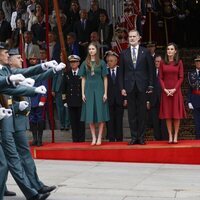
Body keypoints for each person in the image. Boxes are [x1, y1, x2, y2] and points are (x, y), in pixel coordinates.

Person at [119, 29, 154, 145]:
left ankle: (142, 137)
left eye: (134, 36)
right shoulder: (124, 53)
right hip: (129, 86)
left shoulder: (146, 52)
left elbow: (151, 70)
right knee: (131, 113)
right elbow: (121, 72)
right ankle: (134, 137)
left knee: (142, 112)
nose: (132, 38)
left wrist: (150, 85)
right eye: (130, 37)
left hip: (142, 86)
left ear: (139, 38)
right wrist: (122, 87)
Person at [78, 42, 109, 145]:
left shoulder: (102, 63)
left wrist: (105, 93)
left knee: (100, 114)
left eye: (93, 49)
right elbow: (83, 79)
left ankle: (100, 137)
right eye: (90, 49)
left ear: (96, 50)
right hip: (88, 90)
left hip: (99, 89)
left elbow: (105, 78)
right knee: (90, 115)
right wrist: (83, 93)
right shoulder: (84, 63)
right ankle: (94, 137)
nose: (91, 51)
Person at [159, 42, 186, 144]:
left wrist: (174, 89)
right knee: (168, 115)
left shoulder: (179, 62)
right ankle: (170, 135)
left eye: (171, 49)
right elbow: (160, 77)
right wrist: (165, 89)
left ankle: (175, 136)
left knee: (176, 115)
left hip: (175, 92)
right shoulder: (162, 62)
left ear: (175, 51)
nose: (169, 51)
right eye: (168, 49)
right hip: (166, 92)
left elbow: (181, 77)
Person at [63, 55, 85, 142]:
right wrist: (64, 100)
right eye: (71, 62)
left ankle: (82, 139)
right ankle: (75, 139)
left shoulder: (82, 73)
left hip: (80, 101)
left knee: (81, 121)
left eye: (75, 62)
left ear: (78, 63)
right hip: (71, 101)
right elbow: (63, 88)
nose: (73, 64)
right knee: (73, 122)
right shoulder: (67, 74)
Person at [105, 51, 126, 142]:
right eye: (108, 61)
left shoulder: (121, 71)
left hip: (119, 99)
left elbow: (125, 85)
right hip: (108, 100)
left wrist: (125, 98)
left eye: (111, 61)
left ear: (116, 61)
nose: (109, 62)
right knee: (110, 121)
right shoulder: (105, 72)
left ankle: (119, 138)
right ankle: (111, 138)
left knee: (119, 120)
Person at [147, 55, 168, 140]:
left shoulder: (166, 72)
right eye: (156, 61)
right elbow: (147, 86)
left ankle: (165, 138)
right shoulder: (151, 73)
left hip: (163, 100)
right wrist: (148, 100)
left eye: (159, 61)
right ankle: (157, 139)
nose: (157, 63)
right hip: (153, 100)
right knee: (155, 121)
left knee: (164, 121)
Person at [188, 55, 200, 139]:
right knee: (197, 122)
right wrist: (189, 101)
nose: (198, 63)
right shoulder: (191, 73)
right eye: (197, 61)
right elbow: (189, 88)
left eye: (199, 61)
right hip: (195, 99)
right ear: (194, 63)